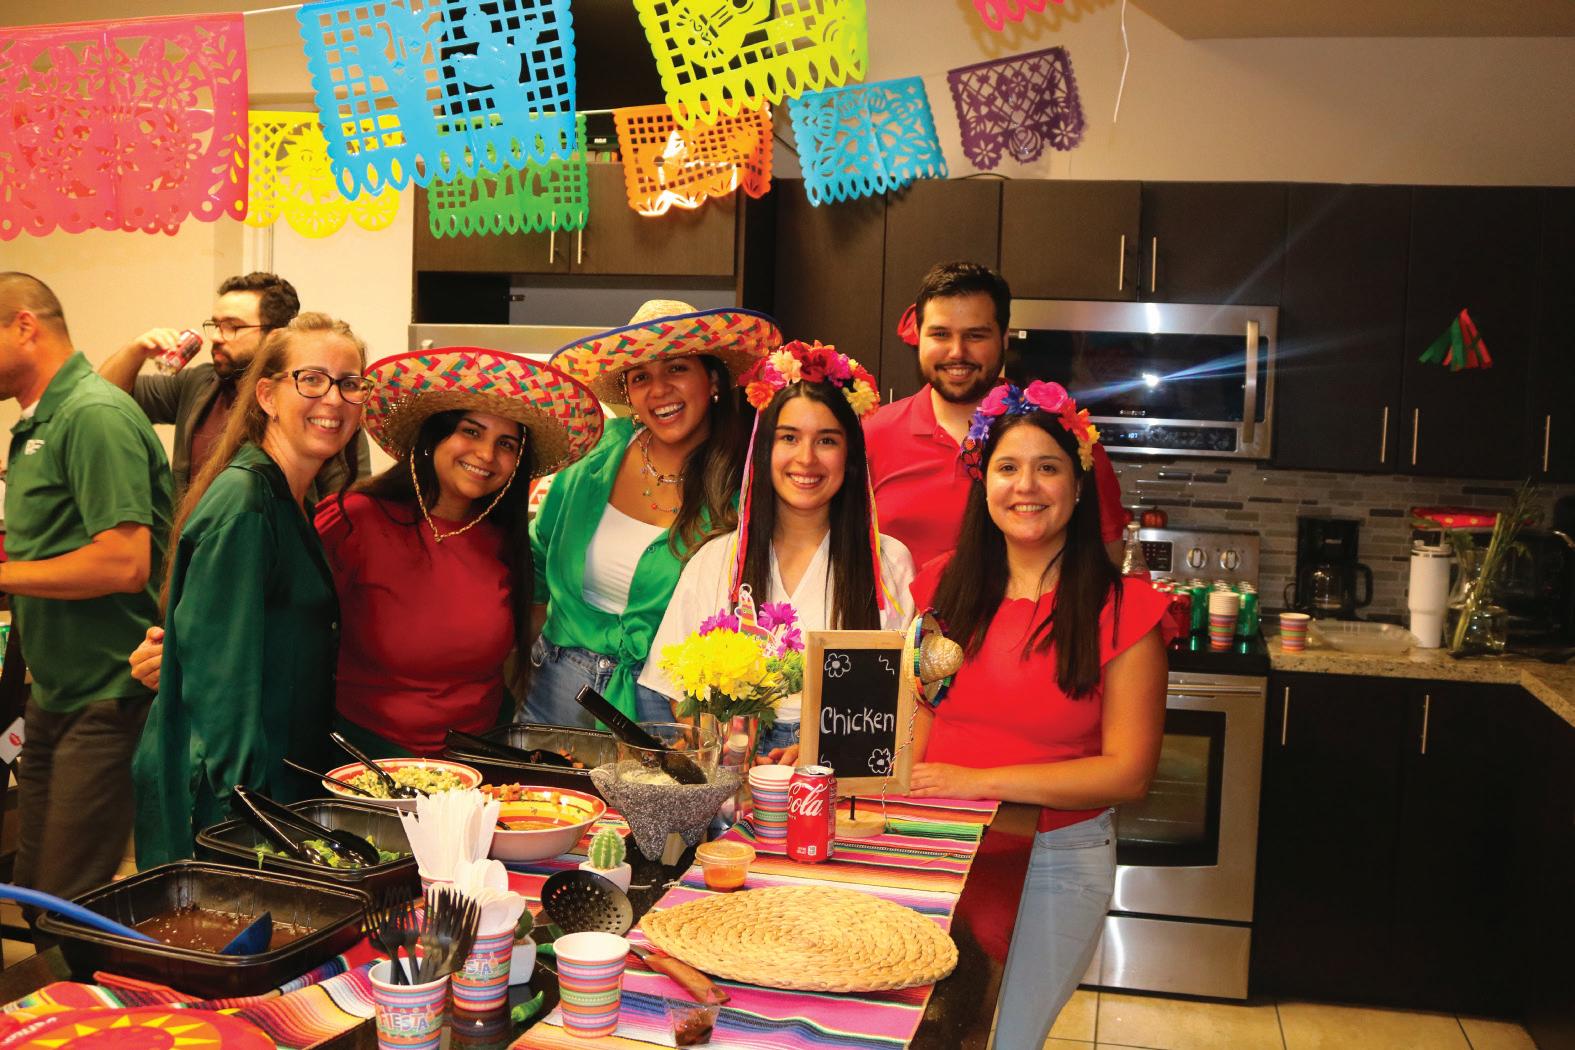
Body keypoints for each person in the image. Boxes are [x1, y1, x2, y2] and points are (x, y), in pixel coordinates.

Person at [126, 350, 606, 759]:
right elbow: (273, 608)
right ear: (434, 435)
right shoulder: (356, 520)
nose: (486, 454)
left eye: (506, 444)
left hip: (478, 765)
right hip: (362, 763)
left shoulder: (506, 543)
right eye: (471, 431)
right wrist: (184, 648)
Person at [905, 381, 1169, 1049]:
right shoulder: (942, 588)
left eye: (1047, 467)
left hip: (1054, 862)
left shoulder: (1125, 612)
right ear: (983, 483)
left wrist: (976, 782)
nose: (1026, 486)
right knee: (921, 1036)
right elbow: (918, 716)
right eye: (1007, 467)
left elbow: (1127, 774)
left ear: (1077, 487)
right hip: (935, 844)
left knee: (1003, 1040)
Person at [131, 313, 369, 867]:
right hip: (232, 809)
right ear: (266, 395)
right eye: (311, 379)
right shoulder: (246, 502)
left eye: (350, 383)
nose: (333, 399)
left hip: (269, 790)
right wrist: (246, 828)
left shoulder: (293, 499)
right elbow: (222, 695)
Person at [641, 341, 915, 752]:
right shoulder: (716, 560)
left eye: (827, 441)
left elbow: (902, 705)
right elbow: (673, 689)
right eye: (789, 437)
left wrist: (818, 751)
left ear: (850, 455)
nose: (806, 459)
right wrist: (731, 746)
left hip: (839, 774)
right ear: (763, 449)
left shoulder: (889, 562)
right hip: (733, 765)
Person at [0, 273, 172, 907]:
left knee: (69, 903)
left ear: (24, 326)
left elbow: (124, 563)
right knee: (36, 895)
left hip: (110, 695)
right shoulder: (37, 423)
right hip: (55, 694)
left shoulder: (93, 414)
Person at [531, 300, 779, 727]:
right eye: (641, 377)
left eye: (677, 368)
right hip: (554, 690)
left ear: (712, 380)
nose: (659, 390)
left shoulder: (748, 482)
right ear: (628, 393)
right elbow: (536, 565)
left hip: (666, 707)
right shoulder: (594, 453)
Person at [865, 261, 1125, 570]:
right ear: (919, 336)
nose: (957, 351)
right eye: (940, 334)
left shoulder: (1064, 436)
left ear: (1003, 339)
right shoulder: (871, 436)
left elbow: (1108, 566)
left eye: (975, 335)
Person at [98, 272, 369, 499]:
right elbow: (105, 399)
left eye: (232, 327)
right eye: (215, 325)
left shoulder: (321, 409)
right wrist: (136, 350)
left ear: (274, 335)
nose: (216, 337)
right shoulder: (199, 384)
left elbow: (345, 509)